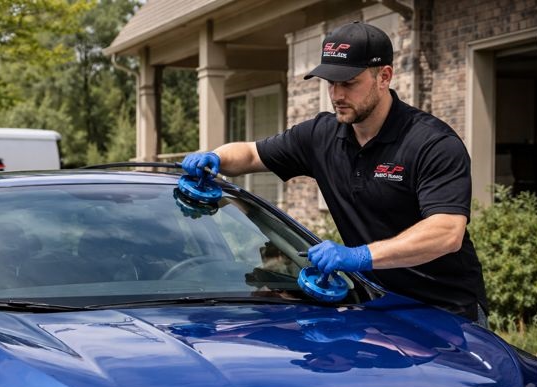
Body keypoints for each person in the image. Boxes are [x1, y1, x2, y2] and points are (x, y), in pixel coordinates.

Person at [182, 21, 488, 325]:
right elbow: (250, 154)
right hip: (375, 306)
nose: (337, 94)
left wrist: (358, 257)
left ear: (384, 76)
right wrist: (215, 157)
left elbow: (447, 233)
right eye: (331, 82)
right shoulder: (321, 136)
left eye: (349, 82)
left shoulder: (431, 143)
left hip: (447, 313)